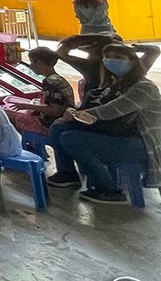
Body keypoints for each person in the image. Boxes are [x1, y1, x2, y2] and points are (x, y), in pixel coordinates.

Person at [47, 43, 161, 203]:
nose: (111, 61)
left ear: (133, 61)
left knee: (71, 138)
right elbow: (99, 105)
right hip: (121, 133)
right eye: (107, 57)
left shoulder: (144, 88)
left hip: (141, 144)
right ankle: (68, 174)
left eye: (118, 57)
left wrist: (77, 114)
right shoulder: (116, 82)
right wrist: (73, 111)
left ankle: (110, 190)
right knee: (58, 128)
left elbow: (111, 110)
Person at [4, 48, 74, 135]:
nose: (30, 65)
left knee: (9, 115)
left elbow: (54, 110)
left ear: (39, 63)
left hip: (50, 124)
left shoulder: (49, 82)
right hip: (63, 122)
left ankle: (30, 145)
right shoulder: (58, 78)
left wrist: (26, 106)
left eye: (32, 62)